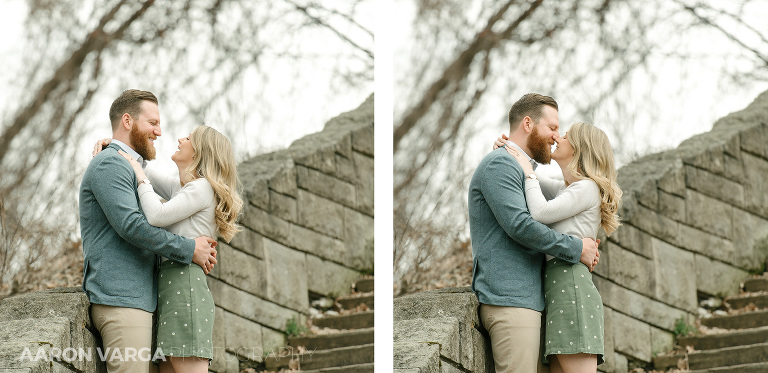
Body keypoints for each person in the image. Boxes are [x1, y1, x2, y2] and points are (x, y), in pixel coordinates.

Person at [80, 89, 218, 373]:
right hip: (122, 299)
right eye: (152, 123)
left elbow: (149, 179)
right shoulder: (109, 163)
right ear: (128, 121)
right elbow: (132, 226)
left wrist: (116, 145)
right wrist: (188, 248)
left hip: (145, 298)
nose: (159, 130)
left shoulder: (129, 164)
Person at [468, 93, 600, 373]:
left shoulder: (518, 167)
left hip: (531, 300)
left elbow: (540, 193)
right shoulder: (500, 165)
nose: (555, 136)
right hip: (510, 299)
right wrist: (577, 248)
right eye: (552, 128)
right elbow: (521, 225)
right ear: (528, 124)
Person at [94, 125, 243, 373]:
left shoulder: (201, 188)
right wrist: (117, 145)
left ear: (200, 152)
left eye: (189, 138)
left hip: (185, 290)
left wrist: (140, 179)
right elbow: (142, 166)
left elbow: (155, 214)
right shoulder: (183, 188)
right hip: (169, 291)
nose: (180, 138)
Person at [496, 122, 621, 373]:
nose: (557, 139)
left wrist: (528, 173)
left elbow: (540, 211)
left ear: (579, 149)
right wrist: (509, 149)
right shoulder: (567, 188)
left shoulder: (586, 187)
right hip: (557, 290)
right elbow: (529, 177)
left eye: (564, 136)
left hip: (571, 288)